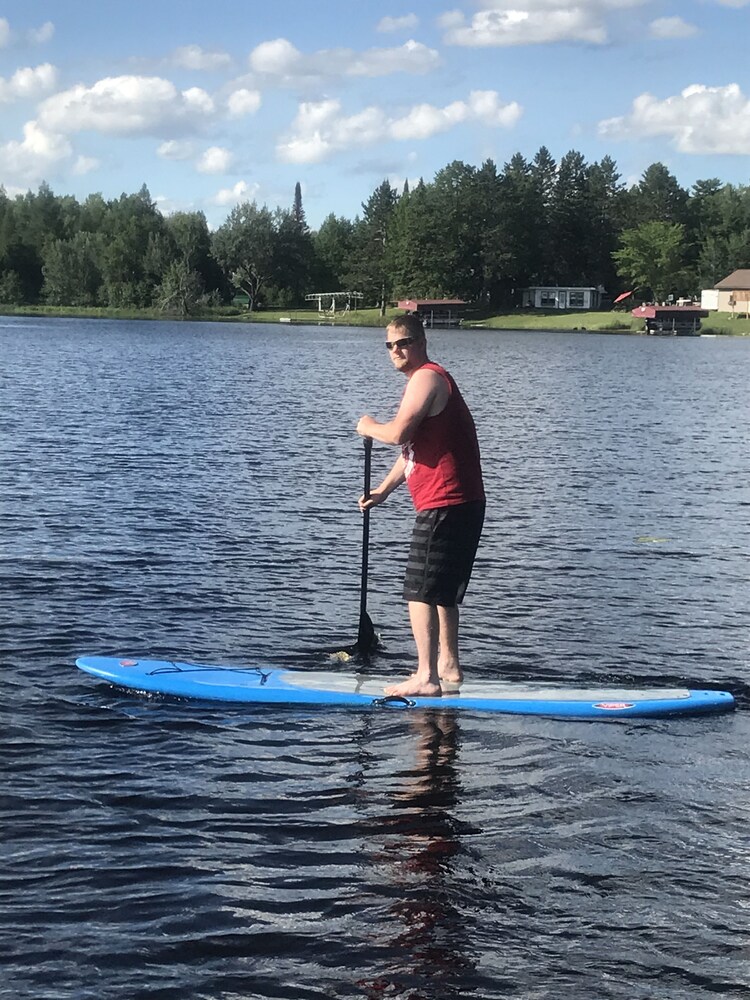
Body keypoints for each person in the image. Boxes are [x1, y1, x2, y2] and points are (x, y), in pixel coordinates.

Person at [356, 314, 485, 698]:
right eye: (390, 345)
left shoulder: (427, 378)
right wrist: (383, 491)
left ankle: (426, 676)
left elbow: (397, 434)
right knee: (443, 591)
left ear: (422, 341)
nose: (396, 350)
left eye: (404, 342)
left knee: (419, 590)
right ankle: (449, 666)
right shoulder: (427, 380)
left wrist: (368, 425)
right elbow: (413, 450)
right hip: (463, 501)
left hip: (446, 501)